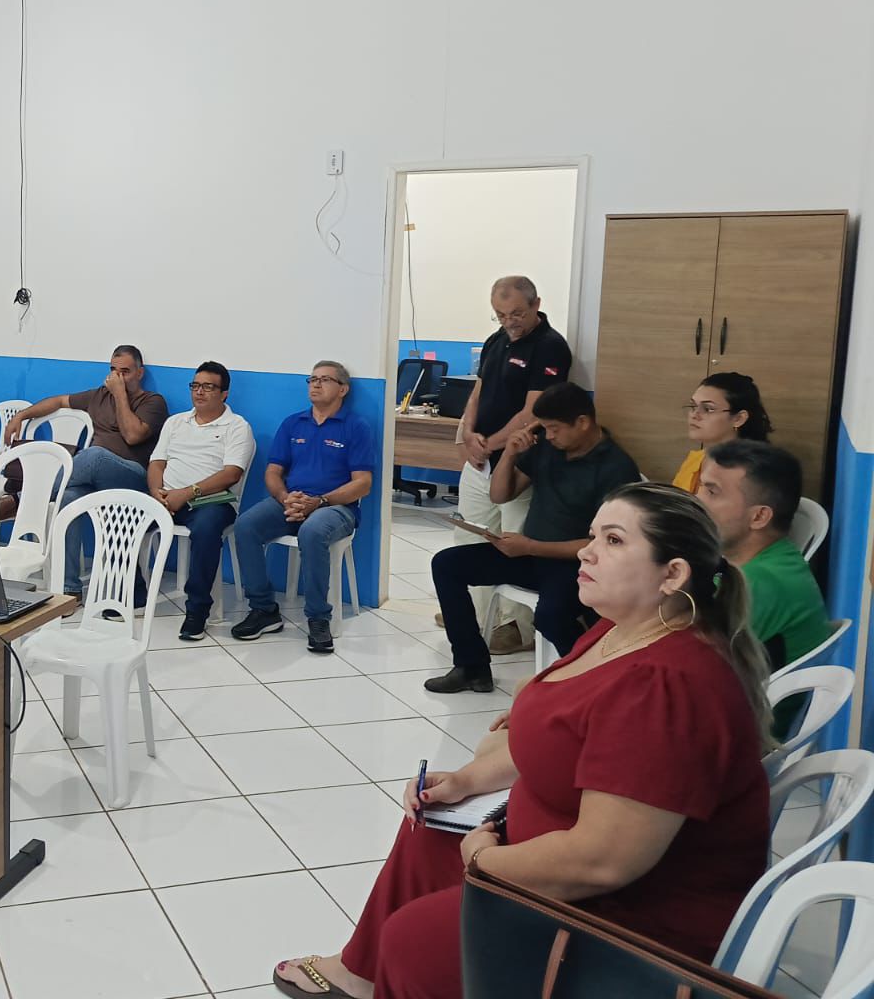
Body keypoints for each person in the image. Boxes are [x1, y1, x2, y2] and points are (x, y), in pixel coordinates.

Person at [271, 484, 771, 999]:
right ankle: (361, 974)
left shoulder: (668, 687)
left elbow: (604, 861)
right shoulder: (622, 626)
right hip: (562, 847)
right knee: (429, 830)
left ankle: (397, 972)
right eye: (594, 534)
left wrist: (485, 861)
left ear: (673, 574)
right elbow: (558, 731)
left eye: (615, 541)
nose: (587, 550)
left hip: (632, 920)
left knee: (412, 942)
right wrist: (467, 780)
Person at [425, 383, 640, 693]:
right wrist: (510, 453)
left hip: (575, 566)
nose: (548, 435)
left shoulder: (615, 467)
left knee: (550, 616)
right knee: (447, 565)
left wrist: (529, 546)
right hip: (530, 556)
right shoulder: (548, 449)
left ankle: (590, 680)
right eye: (546, 428)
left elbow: (604, 545)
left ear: (582, 422)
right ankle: (471, 667)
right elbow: (500, 495)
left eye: (554, 429)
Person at [447, 276, 574, 657]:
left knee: (513, 541)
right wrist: (469, 433)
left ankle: (517, 627)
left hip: (522, 459)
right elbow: (479, 391)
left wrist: (492, 444)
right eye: (501, 315)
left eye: (517, 313)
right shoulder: (495, 341)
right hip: (481, 457)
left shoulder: (551, 347)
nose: (509, 321)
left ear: (537, 304)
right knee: (471, 537)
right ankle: (477, 613)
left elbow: (534, 410)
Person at [230, 361, 373, 654]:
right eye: (312, 379)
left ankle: (319, 619)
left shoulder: (355, 426)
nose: (316, 385)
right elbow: (272, 472)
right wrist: (285, 498)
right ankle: (264, 609)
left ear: (343, 389)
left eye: (325, 380)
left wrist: (319, 502)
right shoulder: (294, 423)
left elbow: (363, 483)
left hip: (335, 507)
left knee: (312, 532)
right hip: (291, 501)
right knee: (245, 525)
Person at [5, 345, 169, 599]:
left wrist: (119, 396)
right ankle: (70, 590)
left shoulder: (153, 402)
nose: (117, 377)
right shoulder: (98, 396)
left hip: (132, 476)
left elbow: (133, 435)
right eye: (113, 370)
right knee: (68, 499)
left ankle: (26, 498)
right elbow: (59, 401)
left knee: (94, 455)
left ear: (140, 373)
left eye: (125, 371)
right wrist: (22, 416)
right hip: (93, 478)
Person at [697, 440, 833, 687]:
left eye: (711, 491)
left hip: (752, 721)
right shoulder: (770, 557)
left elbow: (686, 665)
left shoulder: (759, 584)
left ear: (759, 516)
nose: (696, 501)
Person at [147, 362, 256, 640]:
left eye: (208, 387)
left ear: (224, 393)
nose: (199, 392)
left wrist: (186, 493)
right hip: (166, 497)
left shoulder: (236, 426)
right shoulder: (176, 422)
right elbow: (157, 462)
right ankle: (132, 592)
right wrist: (156, 493)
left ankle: (197, 610)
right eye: (195, 386)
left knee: (207, 529)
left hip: (211, 502)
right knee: (123, 516)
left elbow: (231, 473)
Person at [673, 372, 772, 492]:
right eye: (693, 406)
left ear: (738, 418)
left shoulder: (749, 474)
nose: (694, 415)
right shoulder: (696, 459)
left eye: (708, 409)